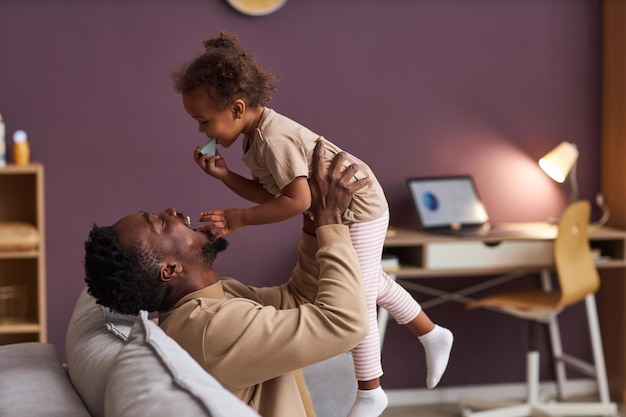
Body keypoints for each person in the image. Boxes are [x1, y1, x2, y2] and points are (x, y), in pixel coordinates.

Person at [171, 31, 454, 417]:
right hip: (347, 208)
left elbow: (299, 201)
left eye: (204, 121)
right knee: (370, 281)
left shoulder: (272, 140)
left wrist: (241, 220)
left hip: (358, 206)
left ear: (237, 108)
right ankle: (433, 334)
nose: (203, 132)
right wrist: (225, 176)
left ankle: (371, 390)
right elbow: (273, 194)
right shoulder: (253, 141)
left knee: (361, 292)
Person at [84, 141, 369, 417]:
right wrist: (329, 219)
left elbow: (297, 301)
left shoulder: (212, 301)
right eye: (159, 222)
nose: (171, 211)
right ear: (169, 270)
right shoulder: (212, 330)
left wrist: (311, 220)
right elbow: (344, 323)